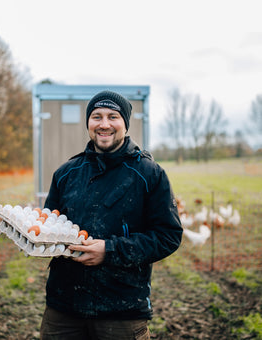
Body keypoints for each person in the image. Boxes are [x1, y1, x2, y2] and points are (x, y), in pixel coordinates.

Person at [40, 90, 183, 340]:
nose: (104, 124)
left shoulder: (149, 174)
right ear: (88, 123)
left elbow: (168, 236)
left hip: (121, 309)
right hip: (63, 307)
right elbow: (49, 223)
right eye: (96, 116)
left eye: (112, 116)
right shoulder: (65, 173)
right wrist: (35, 237)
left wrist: (110, 250)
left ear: (125, 124)